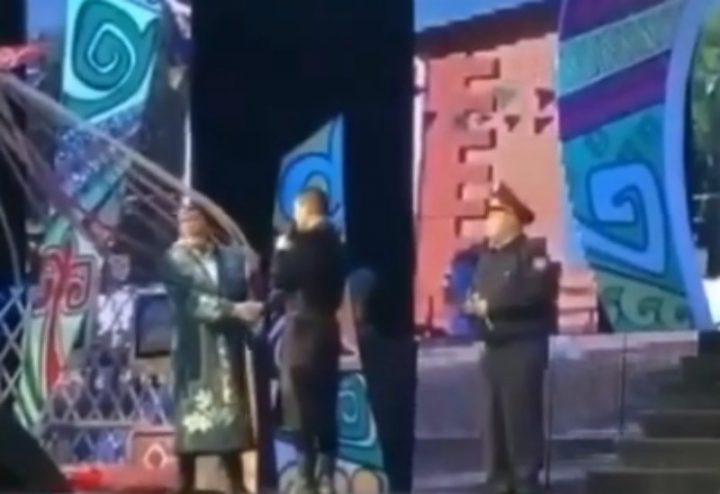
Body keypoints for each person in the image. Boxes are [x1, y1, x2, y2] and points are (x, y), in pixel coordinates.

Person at [163, 203, 264, 494]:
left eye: (195, 219)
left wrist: (249, 301)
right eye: (184, 221)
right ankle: (186, 482)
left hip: (226, 346)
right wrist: (234, 310)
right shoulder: (174, 260)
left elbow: (243, 289)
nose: (190, 225)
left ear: (207, 223)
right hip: (195, 347)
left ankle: (236, 482)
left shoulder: (230, 258)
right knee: (192, 413)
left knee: (229, 411)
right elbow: (189, 301)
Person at [463, 183, 557, 494]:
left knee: (520, 417)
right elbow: (475, 291)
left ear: (512, 216)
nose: (487, 219)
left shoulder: (531, 253)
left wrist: (492, 306)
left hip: (522, 346)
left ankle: (525, 478)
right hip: (492, 348)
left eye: (494, 211)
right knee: (493, 421)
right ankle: (498, 479)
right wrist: (471, 306)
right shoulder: (487, 258)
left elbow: (534, 292)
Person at [271, 187, 345, 494]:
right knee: (326, 401)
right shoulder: (337, 243)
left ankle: (305, 478)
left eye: (297, 209)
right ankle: (327, 475)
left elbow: (281, 278)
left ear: (305, 208)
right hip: (328, 328)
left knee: (299, 404)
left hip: (302, 329)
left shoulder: (302, 244)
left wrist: (282, 248)